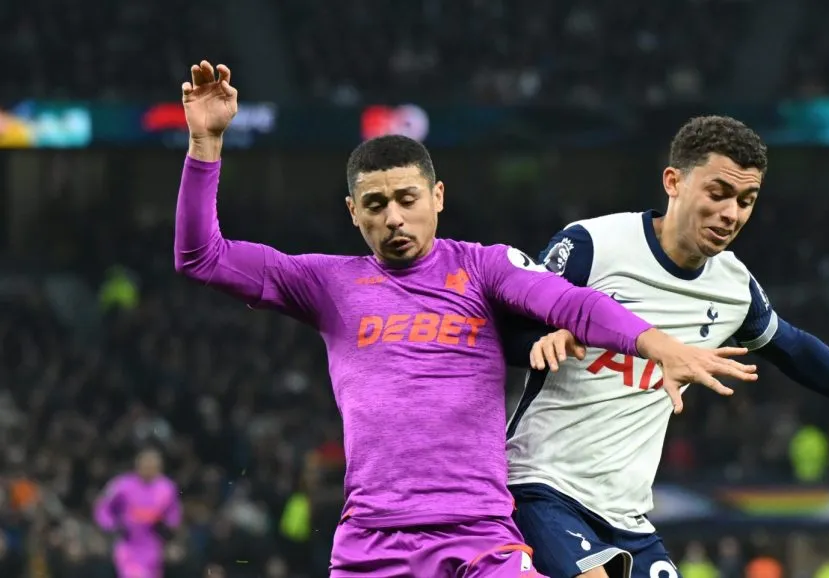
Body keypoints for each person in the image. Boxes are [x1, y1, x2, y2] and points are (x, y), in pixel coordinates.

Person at [175, 61, 758, 578]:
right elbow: (202, 257)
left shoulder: (485, 267)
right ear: (354, 213)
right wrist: (205, 143)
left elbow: (572, 304)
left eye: (408, 198)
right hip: (372, 543)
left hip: (480, 537)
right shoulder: (328, 282)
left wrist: (658, 345)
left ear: (438, 197)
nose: (395, 218)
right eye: (376, 206)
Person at [502, 116, 829, 578]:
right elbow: (505, 334)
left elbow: (798, 352)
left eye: (746, 201)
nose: (731, 214)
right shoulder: (593, 245)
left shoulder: (733, 288)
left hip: (625, 513)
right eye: (718, 194)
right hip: (540, 484)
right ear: (673, 181)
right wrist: (543, 339)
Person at [94, 447, 182, 578]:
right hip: (128, 546)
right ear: (138, 465)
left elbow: (174, 513)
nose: (149, 469)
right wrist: (111, 526)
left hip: (154, 548)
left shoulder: (167, 488)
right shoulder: (122, 485)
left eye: (153, 466)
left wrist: (169, 530)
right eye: (146, 465)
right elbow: (102, 507)